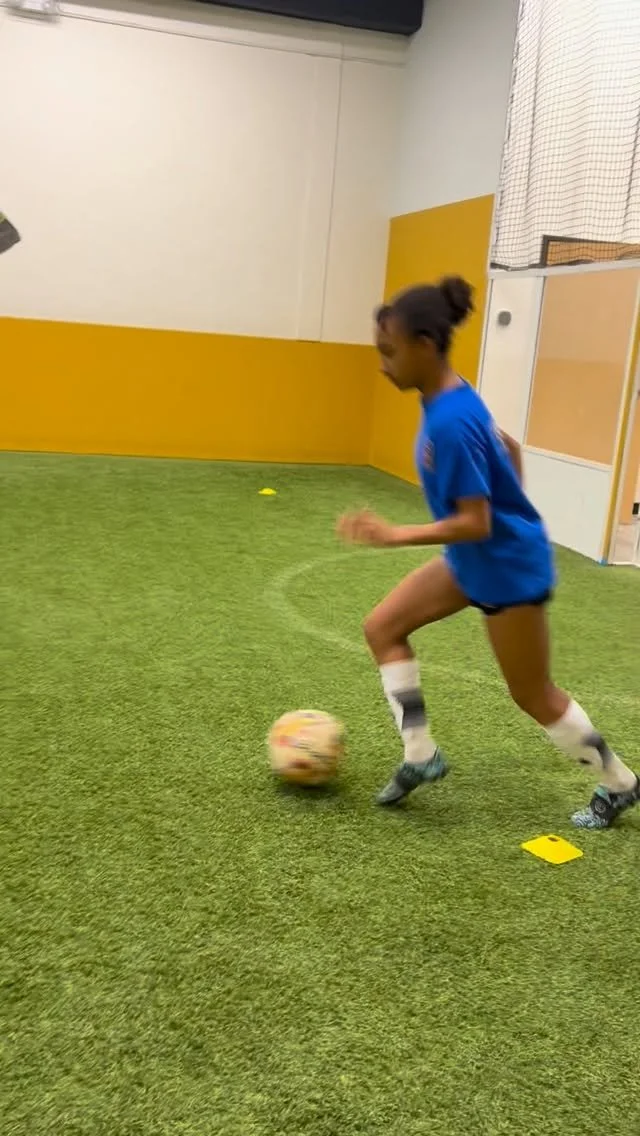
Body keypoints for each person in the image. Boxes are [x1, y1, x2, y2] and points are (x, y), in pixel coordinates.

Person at [338, 276, 638, 830]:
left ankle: (620, 783)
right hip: (475, 560)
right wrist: (511, 504)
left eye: (389, 351)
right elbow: (509, 447)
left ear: (425, 345)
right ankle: (420, 754)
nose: (382, 365)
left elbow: (475, 522)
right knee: (382, 627)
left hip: (506, 572)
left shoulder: (450, 422)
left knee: (533, 693)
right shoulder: (450, 396)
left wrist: (393, 534)